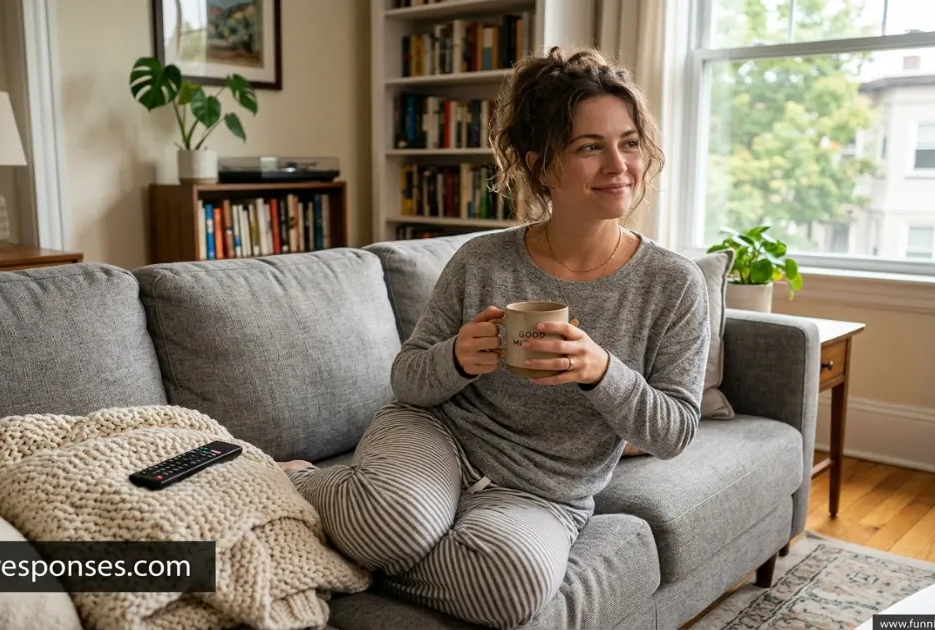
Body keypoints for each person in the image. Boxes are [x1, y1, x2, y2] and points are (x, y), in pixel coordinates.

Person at [281, 46, 711, 629]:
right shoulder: (482, 259)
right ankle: (306, 482)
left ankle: (359, 541)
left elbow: (675, 432)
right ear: (542, 166)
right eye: (590, 146)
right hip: (436, 437)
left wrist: (601, 372)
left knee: (509, 591)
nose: (619, 165)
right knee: (394, 521)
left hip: (544, 493)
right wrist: (456, 358)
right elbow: (407, 380)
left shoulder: (673, 284)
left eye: (629, 142)